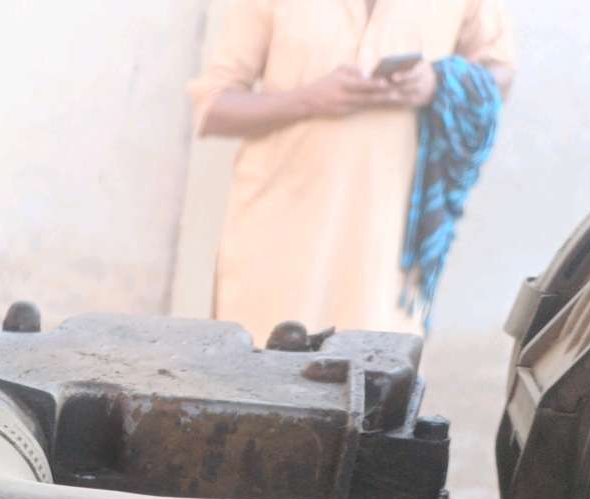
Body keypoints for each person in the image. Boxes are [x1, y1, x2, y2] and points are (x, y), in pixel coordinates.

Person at [189, 0, 516, 342]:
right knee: (256, 367)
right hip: (275, 249)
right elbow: (213, 107)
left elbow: (502, 74)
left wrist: (437, 83)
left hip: (387, 258)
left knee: (376, 370)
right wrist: (309, 99)